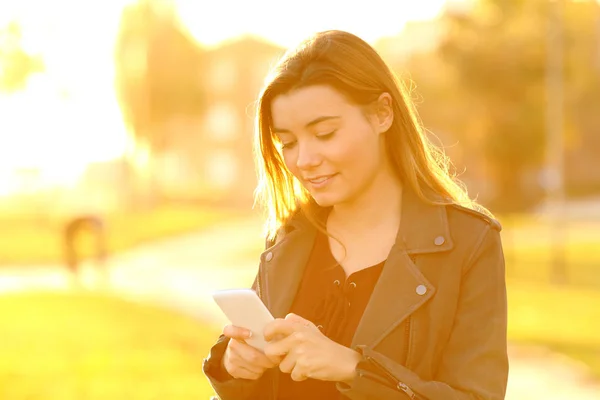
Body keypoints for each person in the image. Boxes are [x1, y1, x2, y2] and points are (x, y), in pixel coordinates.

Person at [202, 30, 508, 399]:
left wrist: (354, 368)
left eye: (325, 133)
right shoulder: (288, 238)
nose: (305, 160)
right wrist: (235, 366)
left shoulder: (469, 243)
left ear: (382, 113)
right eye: (289, 143)